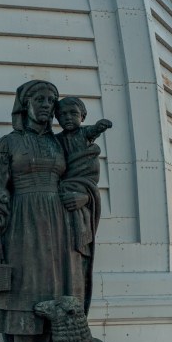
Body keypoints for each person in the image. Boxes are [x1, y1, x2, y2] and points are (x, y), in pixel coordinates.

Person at [0, 81, 85, 342]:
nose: (46, 104)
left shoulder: (60, 144)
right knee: (23, 293)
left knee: (51, 295)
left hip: (58, 227)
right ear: (24, 104)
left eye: (51, 100)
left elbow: (83, 174)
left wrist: (82, 197)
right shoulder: (8, 143)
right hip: (22, 224)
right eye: (39, 99)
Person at [55, 96, 110, 314]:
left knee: (76, 257)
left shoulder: (85, 136)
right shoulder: (55, 142)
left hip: (80, 202)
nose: (68, 118)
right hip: (59, 203)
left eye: (73, 114)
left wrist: (86, 196)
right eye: (62, 115)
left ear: (83, 116)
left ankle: (75, 313)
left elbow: (90, 179)